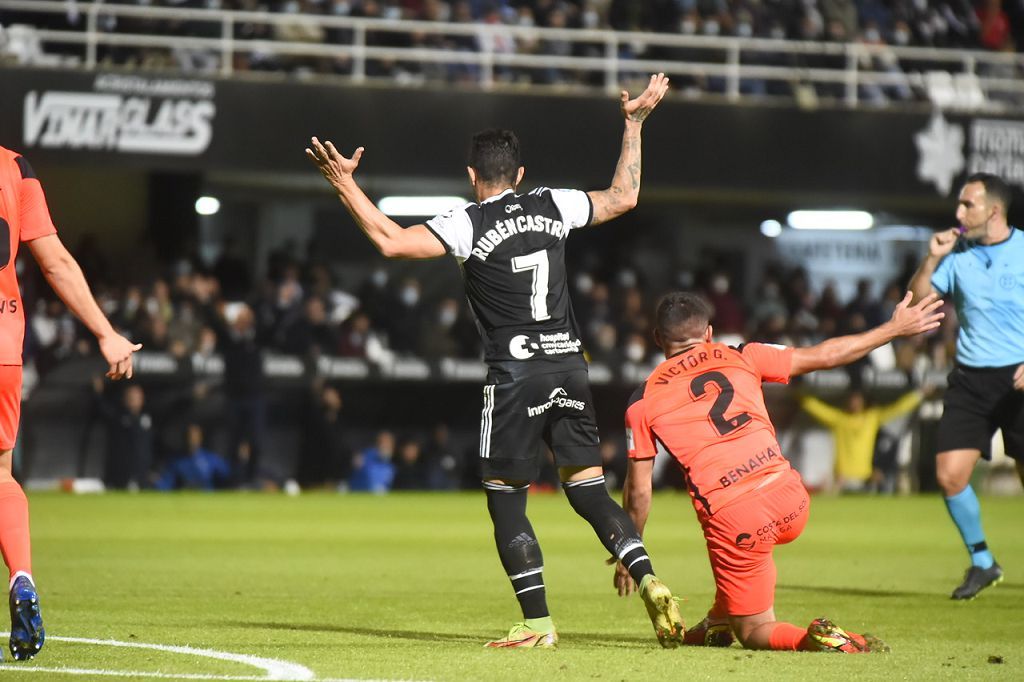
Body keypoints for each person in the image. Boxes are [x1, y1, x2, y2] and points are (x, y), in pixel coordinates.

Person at [306, 73, 687, 649]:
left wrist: (344, 185)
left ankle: (537, 623)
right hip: (569, 365)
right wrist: (633, 124)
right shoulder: (552, 203)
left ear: (471, 176)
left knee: (506, 497)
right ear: (521, 174)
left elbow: (389, 240)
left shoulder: (467, 221)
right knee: (587, 489)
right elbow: (624, 197)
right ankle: (649, 576)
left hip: (514, 375)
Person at [617, 290, 943, 652]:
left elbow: (639, 493)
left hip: (738, 518)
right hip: (790, 497)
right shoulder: (743, 354)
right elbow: (825, 355)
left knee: (755, 630)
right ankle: (715, 624)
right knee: (743, 574)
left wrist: (630, 551)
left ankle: (816, 639)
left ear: (658, 338)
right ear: (709, 333)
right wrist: (893, 329)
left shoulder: (643, 400)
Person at [0, 145, 140, 660]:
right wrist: (106, 333)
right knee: (0, 477)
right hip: (3, 346)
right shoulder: (15, 167)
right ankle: (21, 577)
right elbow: (55, 260)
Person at [908, 172, 1024, 600]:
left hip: (1019, 378)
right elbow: (920, 303)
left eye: (967, 205)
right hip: (972, 379)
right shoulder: (958, 256)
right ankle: (982, 562)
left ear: (993, 210)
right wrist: (932, 260)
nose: (958, 214)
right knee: (949, 475)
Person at [799, 388, 924, 492]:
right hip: (843, 480)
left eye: (857, 400)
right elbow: (815, 407)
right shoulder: (840, 419)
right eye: (852, 400)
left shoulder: (871, 418)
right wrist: (797, 392)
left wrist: (919, 394)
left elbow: (897, 408)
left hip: (866, 479)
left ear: (863, 402)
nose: (855, 403)